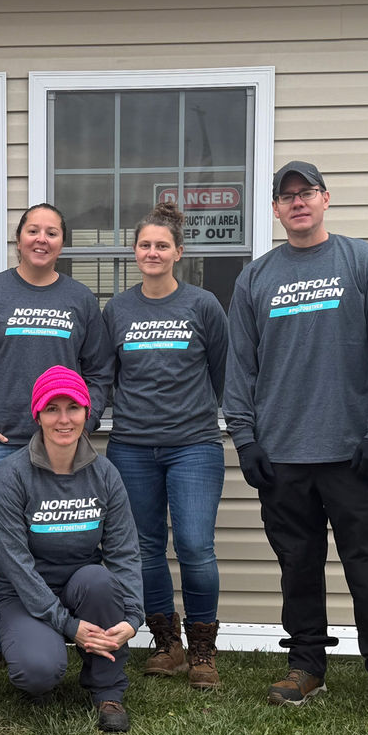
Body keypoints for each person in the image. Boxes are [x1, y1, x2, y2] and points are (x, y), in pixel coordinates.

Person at [223, 160, 368, 726]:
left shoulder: (364, 264)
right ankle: (306, 664)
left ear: (325, 198)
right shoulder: (255, 278)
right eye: (286, 196)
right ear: (276, 208)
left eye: (306, 192)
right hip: (281, 453)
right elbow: (241, 366)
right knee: (298, 563)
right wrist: (245, 439)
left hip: (351, 451)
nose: (297, 202)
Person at [0, 204, 112, 673]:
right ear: (18, 239)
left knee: (67, 536)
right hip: (1, 442)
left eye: (53, 232)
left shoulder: (80, 299)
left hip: (63, 444)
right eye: (33, 231)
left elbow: (99, 370)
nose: (42, 239)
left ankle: (72, 628)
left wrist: (89, 419)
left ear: (63, 242)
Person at [103, 202, 229, 689]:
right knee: (144, 548)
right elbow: (104, 375)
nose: (152, 252)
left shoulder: (202, 305)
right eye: (144, 245)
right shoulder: (117, 309)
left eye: (162, 245)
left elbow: (223, 373)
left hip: (194, 444)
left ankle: (202, 649)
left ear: (178, 251)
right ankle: (167, 644)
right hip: (132, 446)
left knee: (196, 546)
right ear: (135, 252)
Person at [0, 365, 142, 733]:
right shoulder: (12, 476)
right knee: (38, 672)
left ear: (87, 414)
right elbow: (17, 566)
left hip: (82, 587)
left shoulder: (105, 474)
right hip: (24, 595)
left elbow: (123, 550)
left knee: (100, 579)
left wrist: (132, 619)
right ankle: (45, 656)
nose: (63, 419)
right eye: (52, 409)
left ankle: (107, 689)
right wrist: (67, 625)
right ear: (37, 415)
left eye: (72, 408)